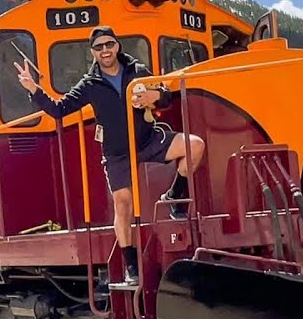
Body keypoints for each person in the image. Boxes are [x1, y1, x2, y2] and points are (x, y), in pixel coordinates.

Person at [15, 25, 204, 286]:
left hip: (148, 139)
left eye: (109, 44)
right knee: (123, 205)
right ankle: (131, 266)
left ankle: (173, 197)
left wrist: (155, 95)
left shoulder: (138, 70)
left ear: (117, 46)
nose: (105, 50)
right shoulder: (90, 84)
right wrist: (33, 89)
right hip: (117, 153)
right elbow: (60, 109)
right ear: (93, 52)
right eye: (99, 47)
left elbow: (166, 97)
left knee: (195, 146)